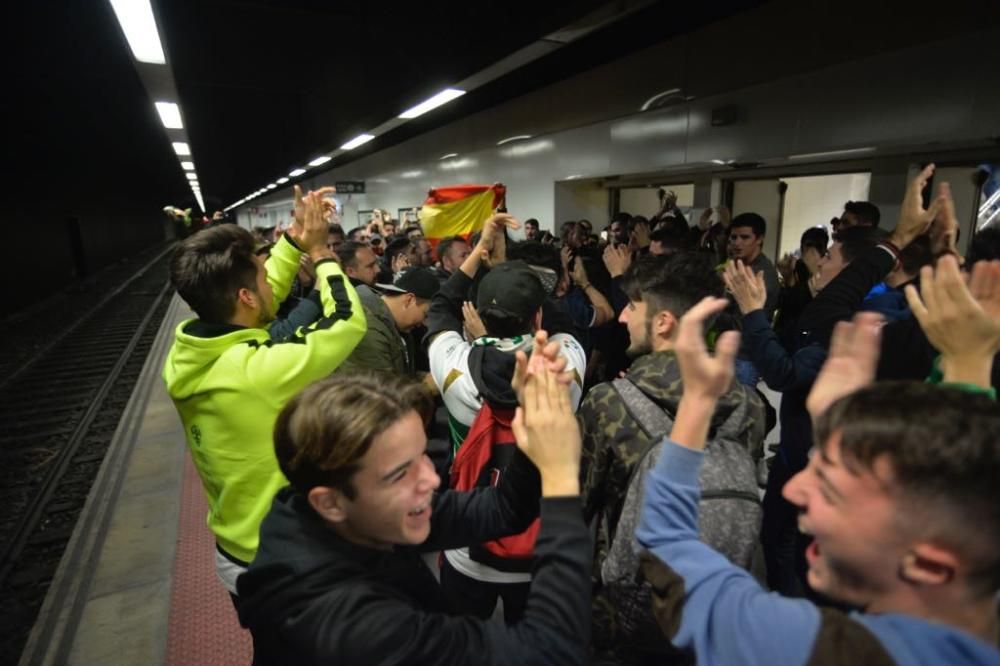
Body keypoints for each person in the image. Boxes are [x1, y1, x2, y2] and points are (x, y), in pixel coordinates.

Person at [635, 253, 1000, 664]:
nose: (794, 487)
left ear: (931, 566)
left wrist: (698, 403)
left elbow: (668, 546)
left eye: (830, 488)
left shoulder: (809, 647)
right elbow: (965, 480)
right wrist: (969, 368)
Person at [236, 338, 592, 665]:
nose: (432, 479)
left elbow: (503, 509)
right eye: (400, 473)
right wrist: (559, 475)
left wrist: (530, 420)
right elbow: (552, 651)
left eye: (424, 456)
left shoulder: (356, 513)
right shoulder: (352, 628)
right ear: (330, 503)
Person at [162, 186, 367, 596]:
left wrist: (294, 239)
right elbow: (347, 321)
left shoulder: (186, 355)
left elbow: (261, 291)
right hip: (282, 558)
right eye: (262, 277)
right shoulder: (259, 371)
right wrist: (323, 254)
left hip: (234, 549)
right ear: (245, 297)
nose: (272, 284)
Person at [579, 253, 765, 662]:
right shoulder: (748, 405)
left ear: (663, 321)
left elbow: (579, 503)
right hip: (721, 598)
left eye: (632, 305)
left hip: (627, 607)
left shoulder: (609, 402)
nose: (623, 317)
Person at [426, 213, 587, 622]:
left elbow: (441, 306)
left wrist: (480, 254)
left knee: (461, 647)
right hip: (539, 547)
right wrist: (512, 271)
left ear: (475, 313)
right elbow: (563, 324)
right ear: (537, 318)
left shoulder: (454, 366)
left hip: (469, 544)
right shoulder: (562, 364)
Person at [338, 267, 439, 375]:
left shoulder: (391, 323)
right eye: (425, 314)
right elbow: (379, 387)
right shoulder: (369, 328)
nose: (424, 323)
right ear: (409, 300)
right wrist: (425, 386)